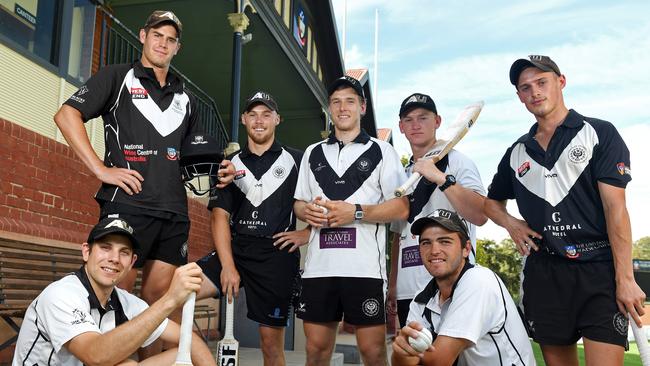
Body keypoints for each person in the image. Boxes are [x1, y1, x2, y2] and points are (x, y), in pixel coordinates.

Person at [52, 9, 234, 348]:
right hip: (128, 205)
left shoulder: (186, 99)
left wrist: (219, 168)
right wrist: (100, 169)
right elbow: (66, 115)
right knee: (116, 297)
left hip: (174, 212)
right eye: (157, 36)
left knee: (161, 301)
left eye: (170, 39)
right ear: (143, 36)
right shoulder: (117, 76)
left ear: (177, 47)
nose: (162, 44)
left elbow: (194, 156)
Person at [484, 55, 645, 366]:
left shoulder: (599, 132)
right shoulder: (517, 151)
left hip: (598, 270)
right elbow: (491, 203)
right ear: (519, 97)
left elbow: (617, 211)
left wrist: (625, 279)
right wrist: (511, 224)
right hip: (545, 274)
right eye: (525, 88)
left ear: (561, 82)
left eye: (541, 82)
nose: (535, 92)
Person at [293, 76, 409, 365]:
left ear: (362, 107)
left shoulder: (383, 151)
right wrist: (304, 212)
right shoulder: (313, 152)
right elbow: (299, 202)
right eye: (336, 102)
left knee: (373, 352)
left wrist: (355, 211)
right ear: (329, 108)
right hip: (320, 268)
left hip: (364, 269)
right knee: (316, 350)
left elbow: (401, 207)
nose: (342, 107)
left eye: (350, 101)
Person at [195, 91, 308, 366]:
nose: (259, 121)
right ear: (244, 119)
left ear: (277, 119)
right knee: (179, 291)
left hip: (276, 255)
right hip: (236, 249)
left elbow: (320, 204)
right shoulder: (228, 163)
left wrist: (307, 234)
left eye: (266, 114)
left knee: (270, 346)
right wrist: (228, 266)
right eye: (253, 115)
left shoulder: (298, 159)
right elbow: (219, 217)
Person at [12, 217, 215, 366]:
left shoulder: (127, 302)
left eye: (124, 252)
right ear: (86, 251)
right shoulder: (61, 295)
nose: (114, 258)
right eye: (105, 247)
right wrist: (170, 299)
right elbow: (96, 356)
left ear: (132, 262)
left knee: (183, 352)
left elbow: (190, 340)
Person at [387, 93, 487, 328]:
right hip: (407, 290)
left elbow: (480, 214)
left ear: (438, 121)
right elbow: (397, 236)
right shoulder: (401, 175)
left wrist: (441, 179)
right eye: (409, 120)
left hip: (451, 283)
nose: (416, 125)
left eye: (423, 118)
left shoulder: (459, 163)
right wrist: (393, 284)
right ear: (401, 127)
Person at [391, 209, 535, 366]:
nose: (434, 251)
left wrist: (410, 355)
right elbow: (405, 362)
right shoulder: (422, 297)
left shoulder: (478, 281)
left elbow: (438, 362)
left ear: (466, 249)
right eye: (426, 243)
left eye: (445, 241)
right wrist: (402, 351)